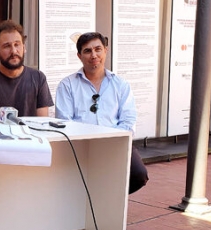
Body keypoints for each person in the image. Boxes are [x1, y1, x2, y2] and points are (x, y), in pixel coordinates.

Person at [55, 32, 148, 194]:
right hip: (81, 146)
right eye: (87, 51)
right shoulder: (67, 85)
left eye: (98, 49)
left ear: (106, 51)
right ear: (79, 55)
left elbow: (128, 120)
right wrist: (91, 144)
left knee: (138, 174)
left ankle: (110, 198)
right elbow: (65, 122)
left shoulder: (120, 85)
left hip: (116, 144)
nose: (94, 55)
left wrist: (110, 142)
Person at [0, 20, 54, 120]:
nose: (13, 51)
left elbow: (42, 124)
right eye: (7, 46)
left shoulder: (38, 78)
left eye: (17, 44)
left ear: (24, 48)